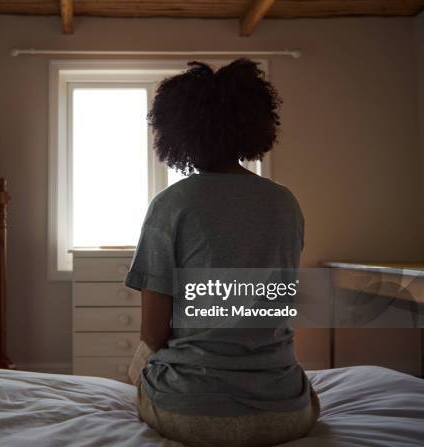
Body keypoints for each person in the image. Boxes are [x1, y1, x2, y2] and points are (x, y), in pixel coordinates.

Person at [125, 59, 319, 447]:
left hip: (190, 413)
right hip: (286, 415)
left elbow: (153, 333)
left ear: (176, 133)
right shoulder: (285, 203)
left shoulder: (170, 205)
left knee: (137, 369)